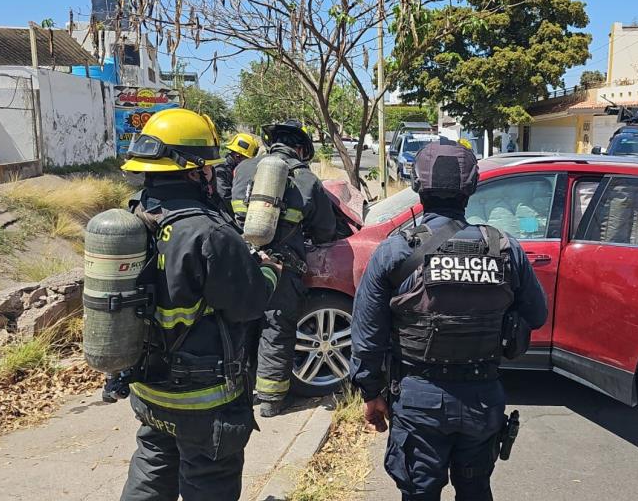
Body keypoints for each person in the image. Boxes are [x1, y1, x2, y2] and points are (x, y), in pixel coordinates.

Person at [350, 140, 549, 501]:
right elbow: (537, 314)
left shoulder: (396, 251)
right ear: (471, 189)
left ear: (417, 187)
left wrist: (371, 393)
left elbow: (367, 335)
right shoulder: (505, 248)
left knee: (419, 493)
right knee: (475, 491)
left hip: (418, 401)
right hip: (482, 400)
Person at [117, 108, 282, 501]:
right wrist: (271, 270)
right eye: (208, 166)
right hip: (203, 401)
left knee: (151, 470)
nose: (213, 173)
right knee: (208, 483)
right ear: (195, 171)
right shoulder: (208, 233)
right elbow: (248, 303)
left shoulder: (135, 219)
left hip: (149, 389)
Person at [226, 120, 337, 417]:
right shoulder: (305, 177)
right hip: (282, 266)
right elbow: (325, 229)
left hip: (241, 262)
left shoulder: (245, 169)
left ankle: (239, 394)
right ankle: (272, 401)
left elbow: (230, 212)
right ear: (300, 149)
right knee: (276, 328)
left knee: (241, 325)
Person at [215, 132, 260, 203]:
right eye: (247, 159)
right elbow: (224, 196)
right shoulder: (220, 170)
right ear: (238, 156)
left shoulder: (235, 169)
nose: (248, 163)